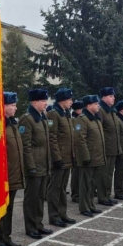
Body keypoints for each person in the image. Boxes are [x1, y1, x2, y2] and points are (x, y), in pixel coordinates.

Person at [0, 92, 24, 246]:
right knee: (0, 208)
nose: (16, 107)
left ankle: (6, 237)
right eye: (13, 105)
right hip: (2, 176)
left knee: (9, 209)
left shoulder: (11, 124)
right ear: (4, 106)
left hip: (13, 174)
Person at [19, 89, 53, 239]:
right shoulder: (27, 119)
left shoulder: (42, 117)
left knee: (40, 197)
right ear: (34, 102)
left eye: (45, 101)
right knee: (32, 198)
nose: (46, 103)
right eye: (42, 101)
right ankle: (30, 227)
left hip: (44, 164)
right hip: (34, 165)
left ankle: (39, 224)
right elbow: (25, 145)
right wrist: (30, 166)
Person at [47, 88, 76, 228]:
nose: (71, 102)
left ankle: (62, 213)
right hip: (59, 159)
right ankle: (54, 216)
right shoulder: (54, 114)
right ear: (62, 100)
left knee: (63, 187)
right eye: (69, 99)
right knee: (55, 187)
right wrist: (56, 158)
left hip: (67, 157)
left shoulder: (66, 114)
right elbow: (52, 138)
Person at [74, 95, 105, 217]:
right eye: (96, 104)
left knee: (92, 184)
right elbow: (80, 139)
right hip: (88, 158)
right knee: (85, 184)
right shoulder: (82, 119)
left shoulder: (95, 119)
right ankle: (84, 207)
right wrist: (85, 157)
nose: (98, 106)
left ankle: (91, 205)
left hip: (97, 157)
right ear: (88, 105)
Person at [97, 87, 121, 206]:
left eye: (113, 96)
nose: (113, 98)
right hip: (105, 148)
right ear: (104, 97)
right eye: (111, 96)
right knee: (103, 174)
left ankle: (107, 195)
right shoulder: (101, 110)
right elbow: (98, 130)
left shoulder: (111, 110)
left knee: (109, 173)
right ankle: (102, 196)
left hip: (112, 148)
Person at [70, 100, 85, 203]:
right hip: (75, 150)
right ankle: (75, 194)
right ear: (77, 110)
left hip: (80, 150)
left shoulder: (80, 119)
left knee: (81, 174)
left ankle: (80, 193)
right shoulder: (73, 120)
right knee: (76, 175)